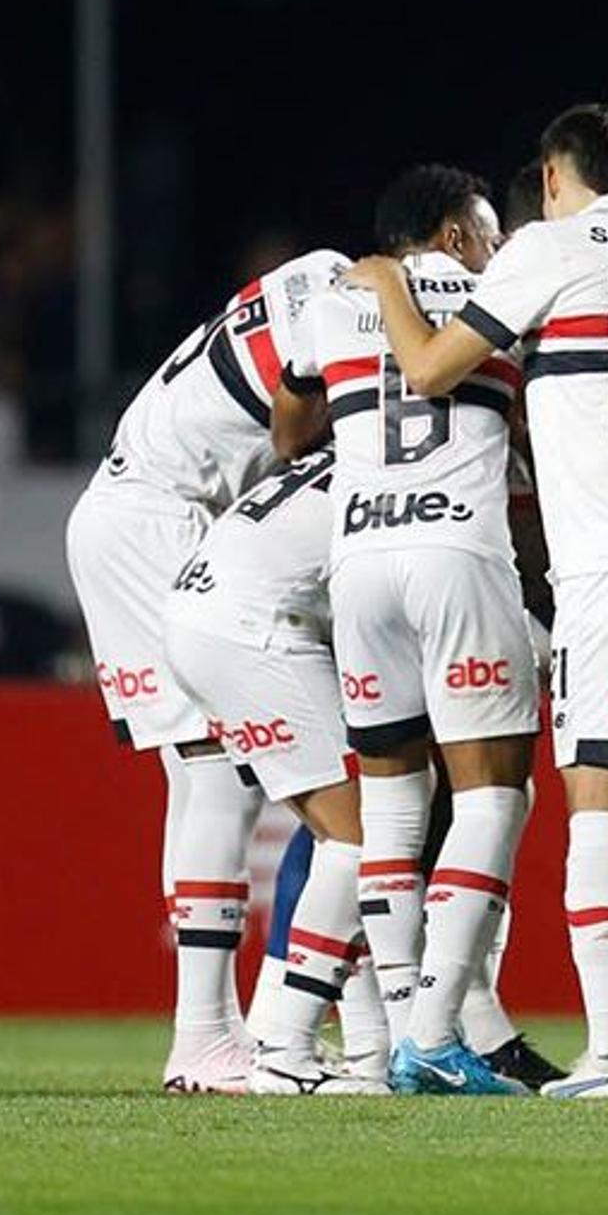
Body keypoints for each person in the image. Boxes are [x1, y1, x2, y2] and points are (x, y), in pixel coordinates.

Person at [350, 103, 608, 1101]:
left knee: (601, 799)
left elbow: (431, 368)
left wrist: (390, 283)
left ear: (554, 179)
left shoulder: (543, 247)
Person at [61, 243, 345, 1093]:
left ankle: (216, 1034)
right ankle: (206, 1041)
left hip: (130, 508)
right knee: (221, 780)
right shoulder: (352, 308)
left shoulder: (315, 276)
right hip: (162, 519)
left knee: (201, 782)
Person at [287, 165, 541, 1098]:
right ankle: (434, 1034)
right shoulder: (497, 294)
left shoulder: (334, 303)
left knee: (392, 806)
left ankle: (400, 1031)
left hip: (360, 562)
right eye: (484, 229)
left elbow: (288, 424)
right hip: (457, 550)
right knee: (491, 798)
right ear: (452, 233)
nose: (496, 243)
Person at [152, 456, 387, 1095]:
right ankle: (287, 1049)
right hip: (254, 631)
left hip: (201, 616)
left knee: (343, 834)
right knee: (366, 838)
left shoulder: (350, 449)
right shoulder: (416, 469)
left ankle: (363, 1044)